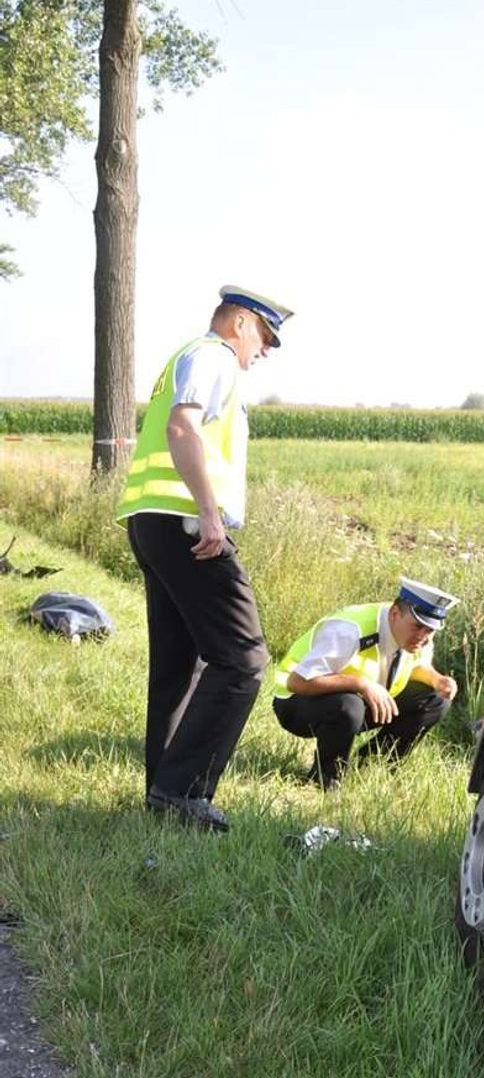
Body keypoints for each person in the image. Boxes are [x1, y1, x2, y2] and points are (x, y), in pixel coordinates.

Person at [116, 284, 293, 830]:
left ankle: (163, 791)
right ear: (240, 322)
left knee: (180, 662)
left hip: (154, 518)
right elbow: (181, 427)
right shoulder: (213, 357)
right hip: (188, 523)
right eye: (264, 335)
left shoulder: (190, 358)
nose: (263, 350)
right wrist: (210, 513)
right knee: (243, 658)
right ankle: (184, 790)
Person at [273, 578, 459, 788]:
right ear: (395, 614)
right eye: (417, 627)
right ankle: (326, 780)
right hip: (297, 703)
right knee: (349, 705)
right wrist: (360, 684)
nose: (423, 637)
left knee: (436, 700)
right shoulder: (350, 629)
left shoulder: (416, 635)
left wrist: (438, 680)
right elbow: (297, 682)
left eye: (429, 631)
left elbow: (416, 666)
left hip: (362, 702)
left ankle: (370, 767)